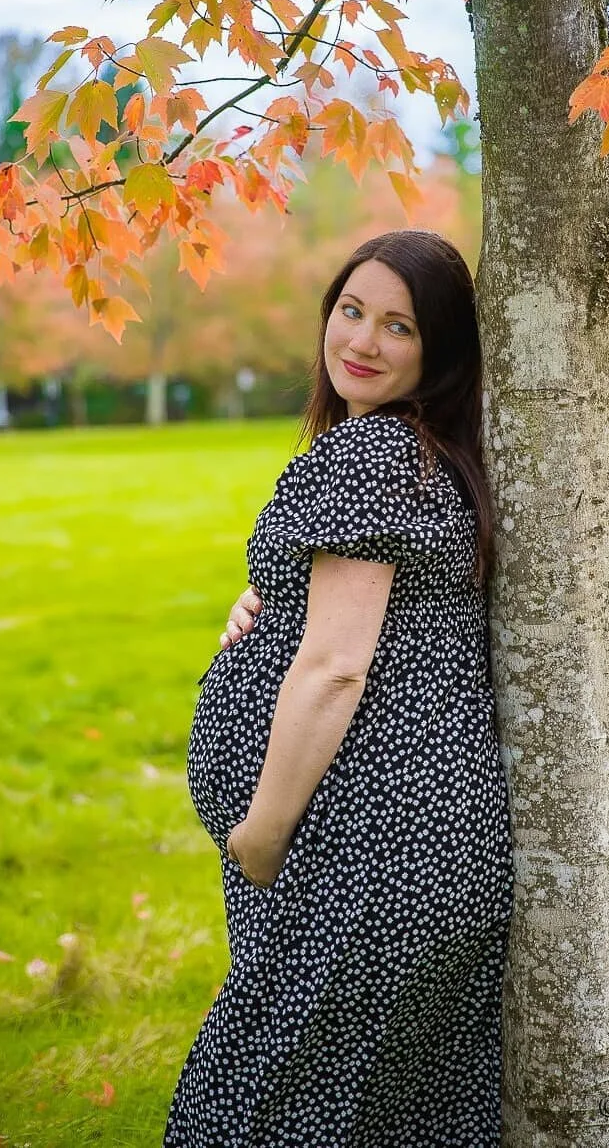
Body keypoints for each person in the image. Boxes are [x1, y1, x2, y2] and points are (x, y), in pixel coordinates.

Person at [164, 229, 516, 1147]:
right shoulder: (427, 457)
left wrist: (261, 835)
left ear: (440, 352)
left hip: (357, 853)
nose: (362, 341)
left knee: (254, 1112)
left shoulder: (365, 460)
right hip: (433, 847)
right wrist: (270, 599)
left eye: (399, 327)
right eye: (351, 311)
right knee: (400, 1115)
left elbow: (336, 667)